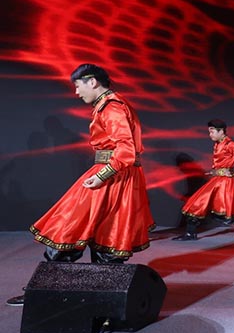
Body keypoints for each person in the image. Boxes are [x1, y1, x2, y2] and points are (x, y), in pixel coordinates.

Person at [7, 64, 154, 306]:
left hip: (112, 176)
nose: (76, 92)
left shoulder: (111, 107)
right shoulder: (112, 104)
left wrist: (102, 175)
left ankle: (46, 289)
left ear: (92, 81)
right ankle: (94, 293)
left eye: (77, 86)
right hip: (119, 176)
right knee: (105, 233)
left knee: (69, 225)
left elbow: (126, 150)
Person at [172, 119, 234, 241]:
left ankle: (191, 233)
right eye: (209, 132)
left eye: (212, 132)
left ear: (221, 131)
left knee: (202, 205)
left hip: (223, 182)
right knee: (213, 209)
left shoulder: (230, 144)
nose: (210, 135)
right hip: (217, 180)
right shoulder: (218, 144)